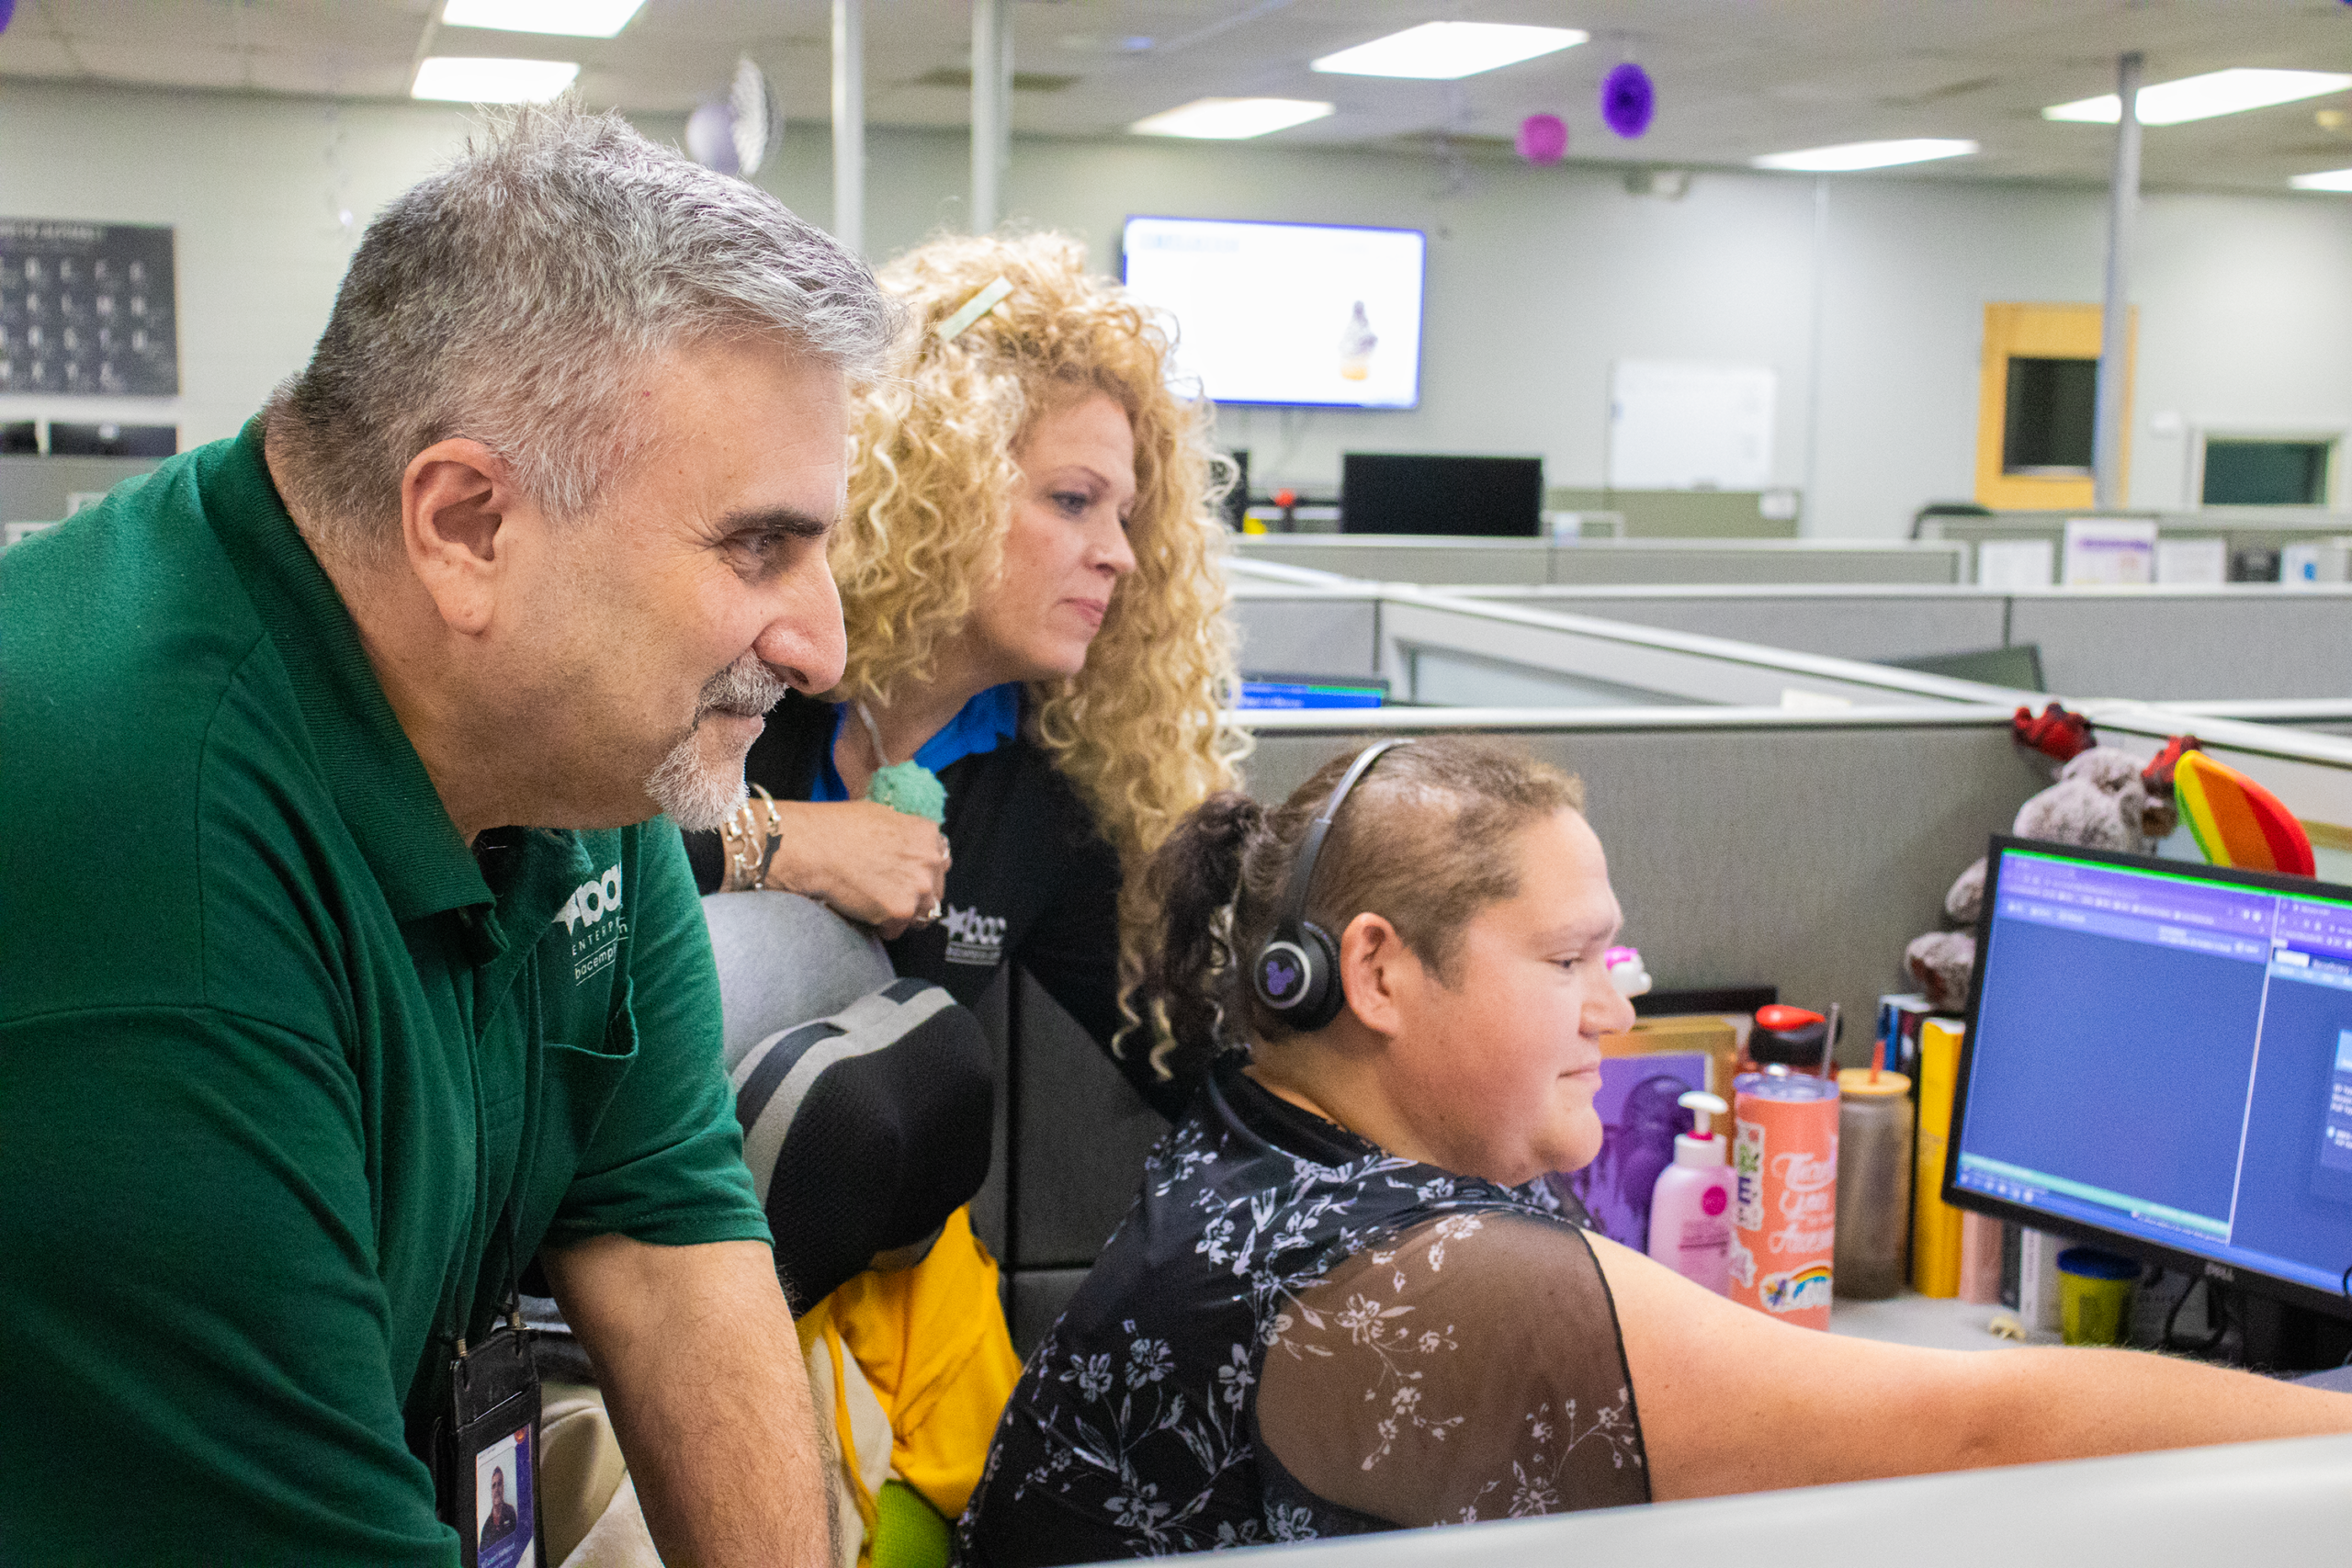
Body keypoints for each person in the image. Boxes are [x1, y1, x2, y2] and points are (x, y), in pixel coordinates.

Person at [0, 104, 892, 1566]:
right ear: (468, 524)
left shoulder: (575, 747)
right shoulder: (153, 876)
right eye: (757, 546)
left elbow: (664, 1227)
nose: (821, 643)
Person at [959, 736, 2352, 1562]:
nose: (1617, 1007)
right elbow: (1981, 1428)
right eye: (1568, 957)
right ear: (1373, 973)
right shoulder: (1428, 1280)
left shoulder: (1257, 1143)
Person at [682, 231, 1242, 1120]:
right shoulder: (743, 662)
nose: (1120, 555)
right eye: (1073, 500)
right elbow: (550, 863)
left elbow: (1205, 1075)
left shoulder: (1045, 788)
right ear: (941, 487)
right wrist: (788, 842)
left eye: (1127, 516)